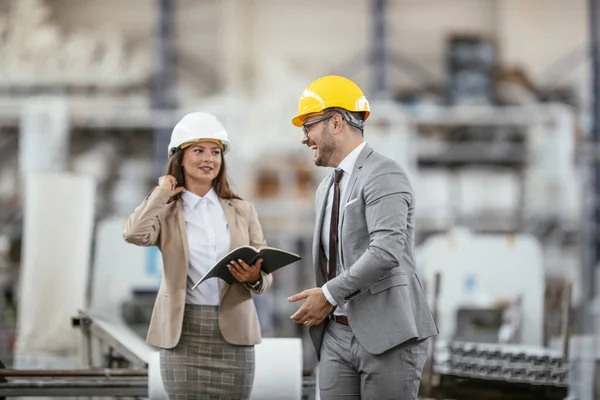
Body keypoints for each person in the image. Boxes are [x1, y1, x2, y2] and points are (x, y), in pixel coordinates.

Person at [287, 76, 438, 399]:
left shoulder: (384, 174)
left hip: (388, 337)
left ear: (337, 122)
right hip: (336, 336)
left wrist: (328, 295)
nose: (304, 138)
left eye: (308, 126)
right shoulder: (326, 188)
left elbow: (386, 251)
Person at [123, 112, 272, 399]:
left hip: (234, 335)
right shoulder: (166, 210)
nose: (209, 158)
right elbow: (133, 234)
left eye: (215, 152)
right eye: (199, 150)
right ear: (179, 158)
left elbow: (266, 274)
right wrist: (160, 193)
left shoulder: (243, 210)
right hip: (183, 335)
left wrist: (256, 279)